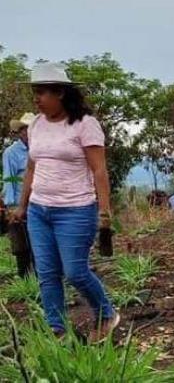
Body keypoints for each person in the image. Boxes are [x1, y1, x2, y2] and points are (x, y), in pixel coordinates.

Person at [12, 63, 118, 340]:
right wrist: (23, 205)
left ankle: (106, 314)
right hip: (39, 210)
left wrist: (104, 212)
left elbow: (99, 170)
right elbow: (32, 168)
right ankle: (57, 330)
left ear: (60, 92)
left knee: (75, 271)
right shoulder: (35, 124)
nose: (36, 98)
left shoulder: (85, 124)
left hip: (75, 210)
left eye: (42, 92)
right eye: (35, 92)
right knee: (47, 274)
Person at [2, 112, 35, 277]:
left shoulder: (39, 149)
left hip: (37, 202)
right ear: (21, 131)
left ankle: (40, 277)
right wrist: (11, 206)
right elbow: (9, 180)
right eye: (25, 130)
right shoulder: (11, 153)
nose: (28, 133)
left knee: (38, 242)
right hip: (18, 203)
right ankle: (24, 278)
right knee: (21, 244)